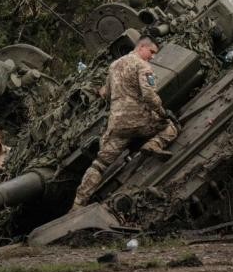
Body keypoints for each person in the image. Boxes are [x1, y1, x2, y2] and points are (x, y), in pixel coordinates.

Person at [71, 37, 178, 210]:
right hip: (140, 121)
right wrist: (163, 113)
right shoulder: (143, 66)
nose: (152, 57)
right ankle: (153, 145)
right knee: (171, 127)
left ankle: (77, 203)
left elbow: (105, 93)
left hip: (117, 125)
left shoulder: (114, 66)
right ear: (141, 47)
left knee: (99, 165)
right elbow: (149, 96)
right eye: (151, 52)